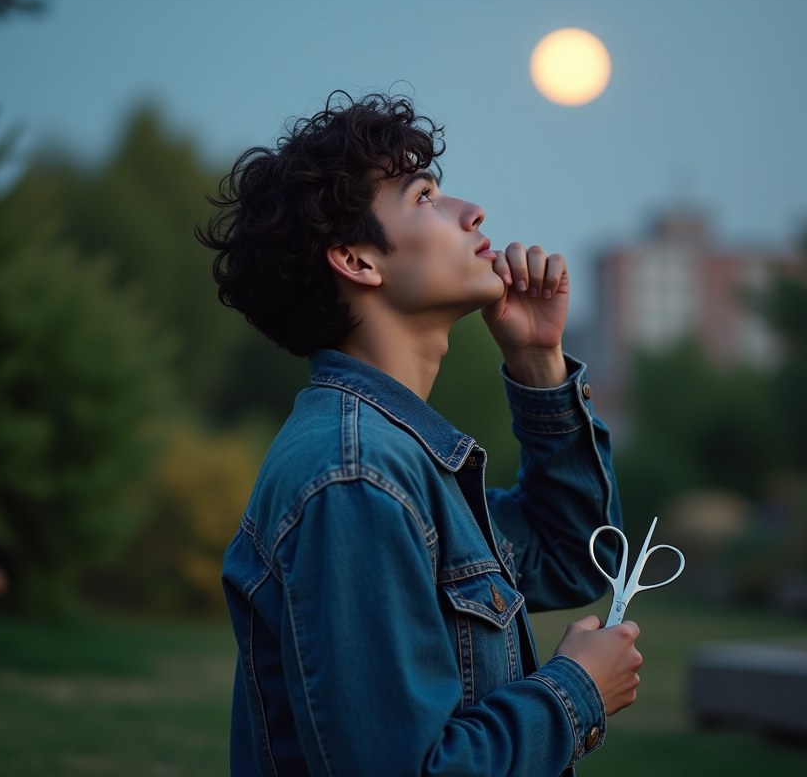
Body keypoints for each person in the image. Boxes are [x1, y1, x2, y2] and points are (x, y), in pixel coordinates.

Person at [199, 92, 641, 777]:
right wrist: (575, 694)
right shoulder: (354, 478)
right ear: (357, 260)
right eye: (426, 196)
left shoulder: (400, 461)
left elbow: (572, 555)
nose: (473, 212)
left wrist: (537, 365)